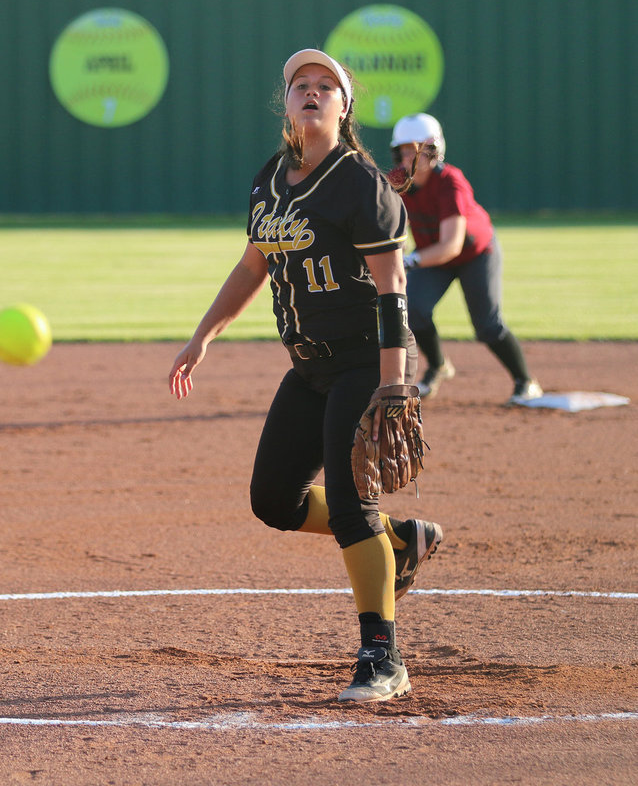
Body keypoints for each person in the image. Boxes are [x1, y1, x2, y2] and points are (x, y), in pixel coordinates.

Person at [169, 50, 442, 703]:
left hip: (361, 362)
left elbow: (393, 287)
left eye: (326, 86)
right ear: (286, 104)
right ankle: (402, 542)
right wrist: (202, 334)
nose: (312, 93)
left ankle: (383, 657)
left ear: (344, 108)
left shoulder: (360, 183)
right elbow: (250, 267)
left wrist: (393, 382)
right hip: (309, 367)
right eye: (301, 85)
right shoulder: (271, 179)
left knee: (352, 508)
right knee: (274, 500)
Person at [388, 113, 543, 405]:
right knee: (412, 307)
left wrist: (407, 261)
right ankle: (439, 366)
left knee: (487, 325)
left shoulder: (450, 181)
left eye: (418, 148)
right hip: (432, 257)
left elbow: (451, 246)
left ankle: (526, 381)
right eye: (405, 149)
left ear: (434, 150)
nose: (411, 156)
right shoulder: (397, 182)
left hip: (475, 254)